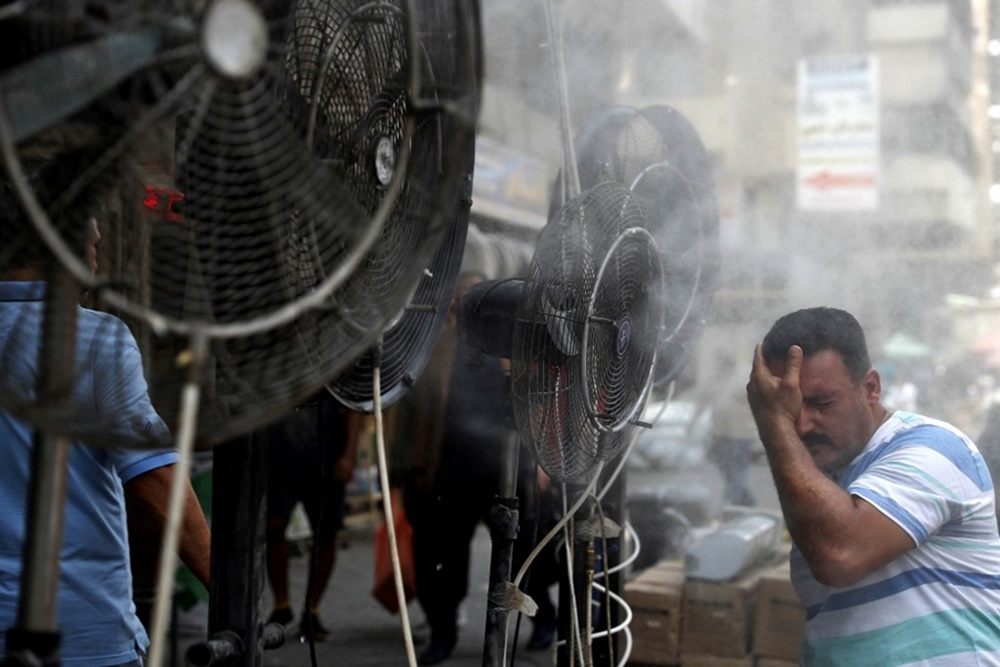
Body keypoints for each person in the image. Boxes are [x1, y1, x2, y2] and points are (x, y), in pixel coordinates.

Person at [0, 167, 211, 666]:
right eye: (90, 243)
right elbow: (157, 483)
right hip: (80, 636)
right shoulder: (96, 340)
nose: (96, 249)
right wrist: (233, 590)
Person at [747, 307, 1000, 665]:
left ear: (870, 388)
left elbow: (840, 554)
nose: (801, 425)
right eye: (790, 408)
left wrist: (774, 421)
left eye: (821, 403)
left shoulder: (934, 447)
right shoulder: (816, 489)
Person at [394, 271, 558, 665]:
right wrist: (409, 469)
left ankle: (545, 619)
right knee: (443, 560)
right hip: (451, 471)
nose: (467, 310)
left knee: (526, 557)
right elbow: (413, 413)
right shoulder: (437, 349)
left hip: (509, 469)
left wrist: (543, 463)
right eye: (461, 303)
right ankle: (443, 633)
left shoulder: (516, 347)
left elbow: (544, 402)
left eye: (475, 302)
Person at [263, 392, 362, 642]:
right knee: (274, 525)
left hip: (325, 451)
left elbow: (355, 406)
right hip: (279, 449)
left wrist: (349, 455)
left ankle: (312, 609)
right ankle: (282, 604)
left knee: (326, 534)